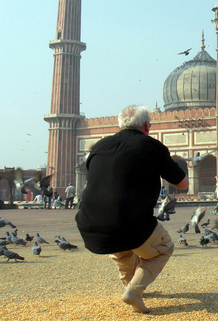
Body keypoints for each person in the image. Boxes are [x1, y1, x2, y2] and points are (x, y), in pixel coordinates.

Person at [75, 105, 188, 314]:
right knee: (163, 249)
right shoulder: (151, 146)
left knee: (124, 251)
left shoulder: (99, 146)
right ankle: (134, 291)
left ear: (118, 125)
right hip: (130, 223)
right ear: (147, 125)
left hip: (91, 225)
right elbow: (182, 185)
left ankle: (131, 286)